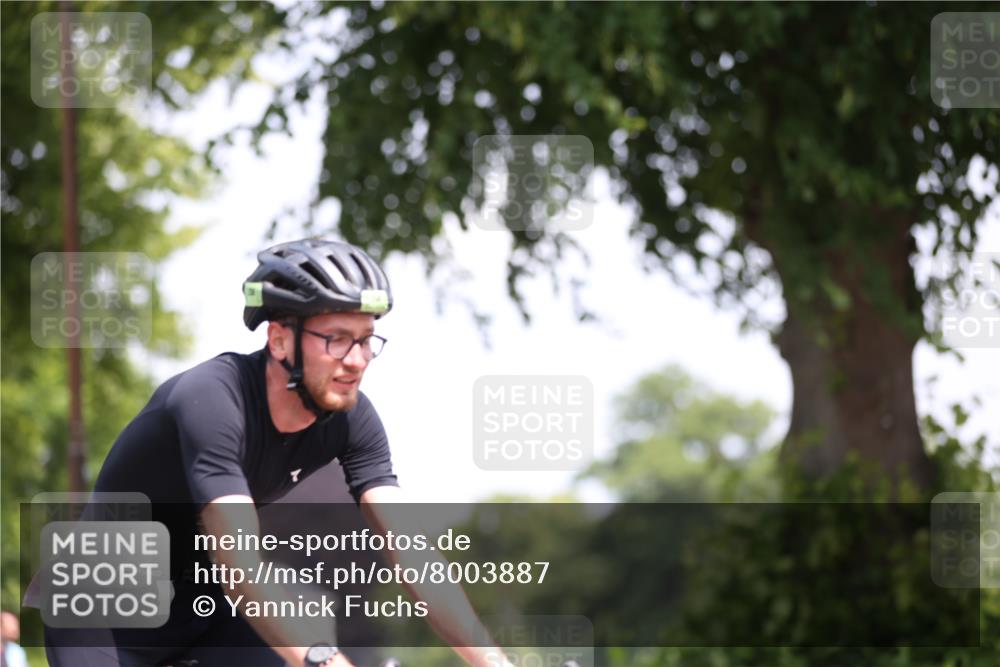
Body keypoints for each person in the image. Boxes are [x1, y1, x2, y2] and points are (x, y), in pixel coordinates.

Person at [42, 238, 514, 667]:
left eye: (366, 339)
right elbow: (240, 565)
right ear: (280, 338)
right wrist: (325, 661)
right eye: (336, 339)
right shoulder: (212, 400)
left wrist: (495, 662)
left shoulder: (352, 419)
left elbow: (414, 557)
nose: (356, 360)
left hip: (195, 607)